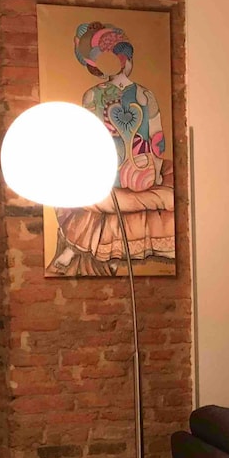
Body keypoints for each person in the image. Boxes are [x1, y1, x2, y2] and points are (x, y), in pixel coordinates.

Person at [48, 22, 175, 276]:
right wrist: (154, 168)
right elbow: (157, 139)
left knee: (96, 197)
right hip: (142, 171)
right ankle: (102, 252)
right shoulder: (145, 95)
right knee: (113, 198)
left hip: (114, 171)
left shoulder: (91, 96)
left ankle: (84, 249)